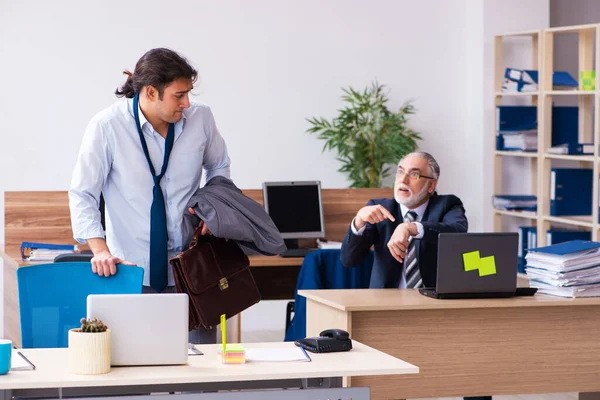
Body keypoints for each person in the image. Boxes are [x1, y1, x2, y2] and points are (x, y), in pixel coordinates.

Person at [69, 48, 231, 344]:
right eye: (178, 95)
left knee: (201, 373)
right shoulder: (107, 126)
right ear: (151, 92)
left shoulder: (201, 119)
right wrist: (99, 250)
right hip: (130, 270)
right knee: (133, 366)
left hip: (193, 267)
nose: (187, 103)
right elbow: (83, 194)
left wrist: (214, 208)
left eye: (189, 93)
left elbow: (218, 165)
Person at [341, 152, 490, 400]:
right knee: (390, 384)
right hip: (385, 312)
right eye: (400, 171)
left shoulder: (447, 205)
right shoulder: (379, 209)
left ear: (431, 185)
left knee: (474, 362)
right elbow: (349, 260)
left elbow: (457, 231)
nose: (404, 179)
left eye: (414, 174)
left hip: (436, 308)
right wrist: (359, 222)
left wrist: (411, 227)